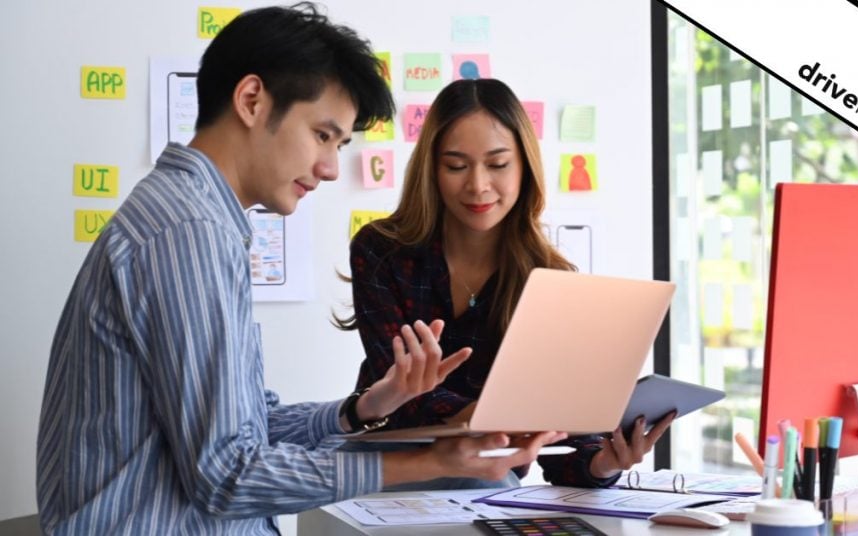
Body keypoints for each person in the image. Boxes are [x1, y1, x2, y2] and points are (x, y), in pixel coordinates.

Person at [36, 6, 562, 534]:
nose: (331, 168)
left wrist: (363, 408)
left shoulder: (196, 219)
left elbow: (248, 429)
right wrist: (429, 462)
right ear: (251, 101)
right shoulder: (188, 233)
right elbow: (227, 474)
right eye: (322, 135)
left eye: (340, 145)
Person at [340, 78, 673, 488]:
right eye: (456, 166)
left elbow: (562, 450)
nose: (478, 185)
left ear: (524, 167)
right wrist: (490, 418)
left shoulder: (551, 278)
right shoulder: (380, 251)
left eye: (498, 165)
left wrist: (606, 461)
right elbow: (395, 387)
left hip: (488, 477)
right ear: (431, 169)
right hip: (386, 464)